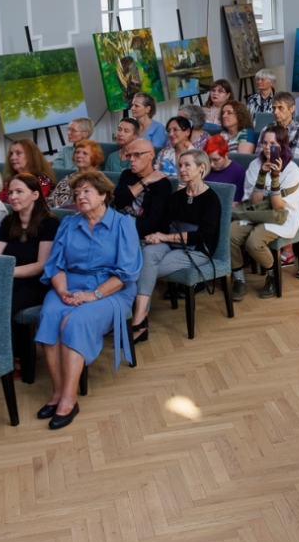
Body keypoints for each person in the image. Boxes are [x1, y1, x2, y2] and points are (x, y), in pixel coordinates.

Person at [33, 170, 141, 428]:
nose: (80, 196)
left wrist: (93, 295)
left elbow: (127, 273)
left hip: (111, 289)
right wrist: (63, 292)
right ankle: (58, 392)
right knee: (49, 315)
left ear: (103, 195)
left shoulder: (123, 224)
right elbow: (55, 266)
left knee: (75, 321)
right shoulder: (69, 223)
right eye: (77, 192)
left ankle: (70, 399)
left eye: (87, 191)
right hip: (70, 285)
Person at [130, 148, 222, 342]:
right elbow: (164, 225)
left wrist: (163, 237)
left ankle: (138, 320)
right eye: (180, 165)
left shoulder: (211, 200)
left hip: (197, 250)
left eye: (187, 165)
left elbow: (202, 236)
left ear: (201, 168)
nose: (182, 169)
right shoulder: (176, 197)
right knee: (148, 254)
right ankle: (140, 316)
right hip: (170, 242)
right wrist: (156, 237)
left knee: (145, 269)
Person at [229, 125, 299, 300]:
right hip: (257, 212)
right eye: (264, 143)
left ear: (283, 145)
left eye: (273, 143)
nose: (267, 147)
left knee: (254, 243)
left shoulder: (293, 171)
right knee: (230, 234)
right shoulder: (256, 164)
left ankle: (272, 274)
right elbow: (255, 201)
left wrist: (275, 177)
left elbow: (278, 206)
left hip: (281, 216)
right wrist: (262, 175)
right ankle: (239, 279)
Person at [111, 137, 175, 332]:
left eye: (137, 155)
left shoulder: (163, 185)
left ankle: (137, 318)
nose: (131, 159)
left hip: (146, 236)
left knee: (132, 258)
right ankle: (115, 311)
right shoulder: (127, 176)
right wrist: (145, 181)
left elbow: (154, 222)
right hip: (125, 232)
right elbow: (119, 201)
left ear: (150, 156)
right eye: (130, 155)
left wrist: (125, 232)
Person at [0, 174, 60, 316]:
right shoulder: (8, 222)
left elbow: (41, 265)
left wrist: (7, 272)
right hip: (7, 278)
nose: (12, 197)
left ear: (35, 195)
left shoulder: (49, 223)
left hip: (36, 282)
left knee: (2, 308)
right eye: (10, 192)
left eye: (19, 191)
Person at [50, 141, 105, 210]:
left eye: (85, 153)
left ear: (95, 157)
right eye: (77, 152)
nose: (79, 155)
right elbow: (50, 200)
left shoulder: (98, 179)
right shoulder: (68, 177)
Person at [268, 93, 299, 159]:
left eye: (280, 108)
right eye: (274, 108)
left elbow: (294, 160)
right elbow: (259, 156)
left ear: (291, 108)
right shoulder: (267, 129)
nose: (276, 112)